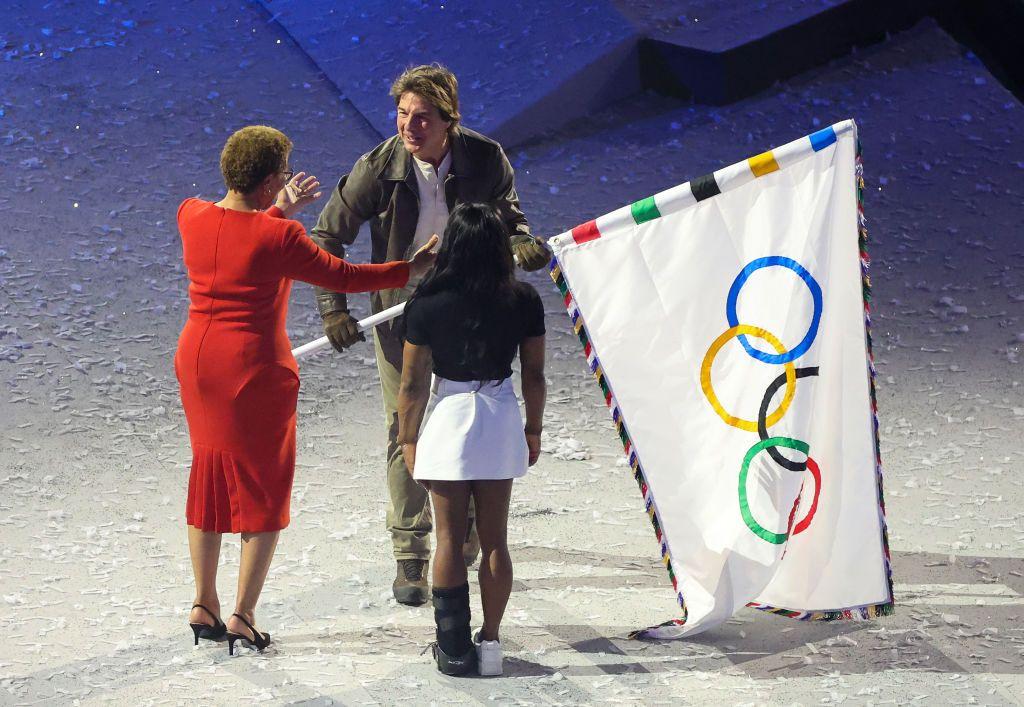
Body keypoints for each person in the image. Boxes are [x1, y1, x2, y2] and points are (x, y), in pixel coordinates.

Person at [176, 125, 437, 655]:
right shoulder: (281, 238)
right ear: (272, 179)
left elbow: (239, 241)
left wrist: (277, 208)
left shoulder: (191, 215)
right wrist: (410, 268)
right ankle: (243, 616)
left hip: (198, 364)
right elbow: (343, 276)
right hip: (253, 374)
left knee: (208, 475)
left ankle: (203, 602)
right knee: (263, 489)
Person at [310, 64, 550, 606]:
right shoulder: (379, 168)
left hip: (471, 309)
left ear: (449, 121)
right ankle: (411, 551)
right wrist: (334, 308)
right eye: (401, 115)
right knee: (407, 422)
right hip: (402, 316)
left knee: (472, 416)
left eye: (421, 118)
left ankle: (465, 528)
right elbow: (327, 235)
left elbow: (510, 221)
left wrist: (523, 245)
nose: (407, 127)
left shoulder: (484, 159)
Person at [397, 202, 546, 676]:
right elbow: (535, 375)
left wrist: (407, 438)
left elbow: (412, 384)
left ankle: (454, 648)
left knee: (447, 539)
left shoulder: (427, 302)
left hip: (449, 416)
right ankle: (492, 641)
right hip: (499, 416)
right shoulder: (523, 300)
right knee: (496, 540)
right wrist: (533, 429)